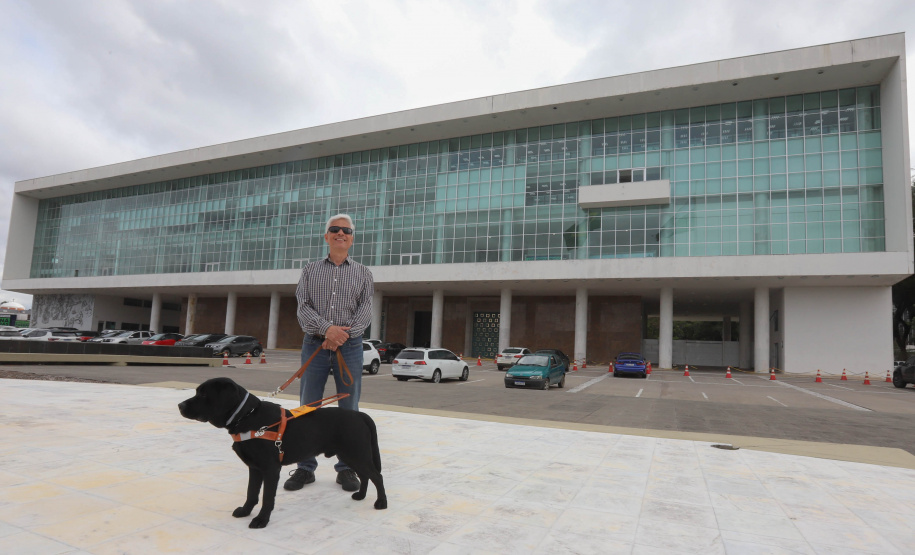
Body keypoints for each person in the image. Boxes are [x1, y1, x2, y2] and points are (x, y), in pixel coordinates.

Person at [284, 214, 374, 493]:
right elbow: (303, 307)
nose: (340, 233)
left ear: (352, 238)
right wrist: (327, 330)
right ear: (326, 236)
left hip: (351, 347)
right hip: (315, 344)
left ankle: (347, 467)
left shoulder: (363, 273)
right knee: (307, 407)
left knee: (349, 409)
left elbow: (365, 310)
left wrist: (340, 336)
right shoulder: (310, 270)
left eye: (346, 230)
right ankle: (305, 466)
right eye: (334, 229)